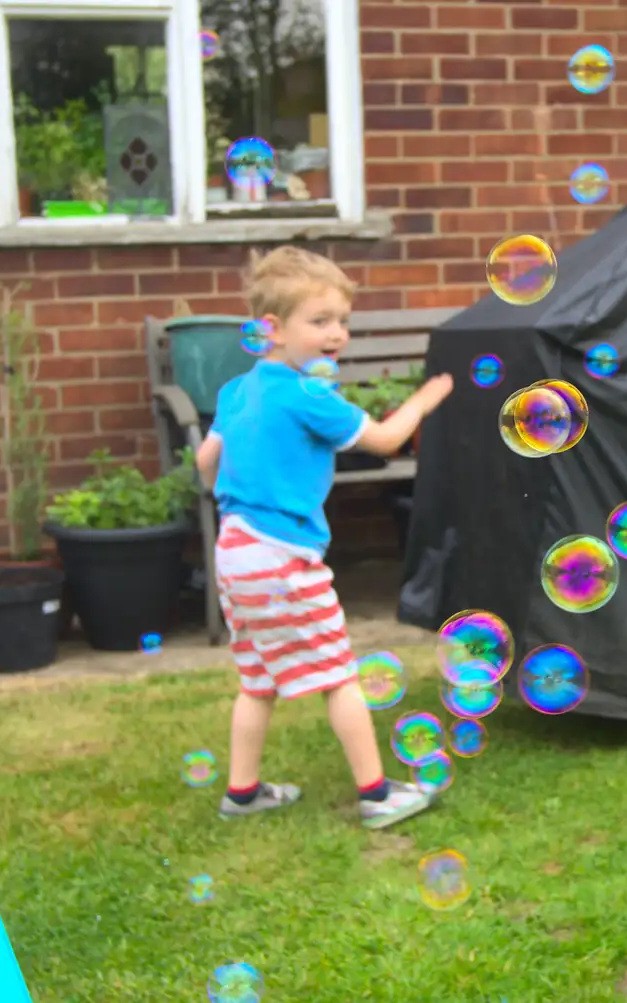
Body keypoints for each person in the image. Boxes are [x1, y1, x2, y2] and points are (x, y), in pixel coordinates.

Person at [195, 246, 454, 829]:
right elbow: (387, 440)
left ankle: (242, 793)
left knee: (258, 680)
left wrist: (231, 491)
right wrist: (427, 398)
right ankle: (377, 793)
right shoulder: (308, 394)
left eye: (343, 321)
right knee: (338, 674)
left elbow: (208, 459)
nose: (337, 333)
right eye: (320, 321)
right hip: (282, 556)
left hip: (235, 552)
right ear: (272, 330)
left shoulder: (239, 390)